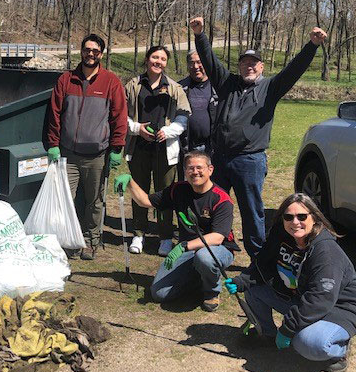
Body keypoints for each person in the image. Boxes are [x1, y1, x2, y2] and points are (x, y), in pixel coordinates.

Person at [190, 17, 327, 259]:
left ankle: (258, 259)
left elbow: (294, 69)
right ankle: (215, 249)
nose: (249, 67)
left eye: (254, 63)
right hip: (219, 158)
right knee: (214, 206)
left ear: (262, 67)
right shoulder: (227, 83)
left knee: (252, 211)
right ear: (239, 66)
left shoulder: (270, 88)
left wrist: (312, 45)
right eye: (244, 63)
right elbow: (210, 61)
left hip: (249, 161)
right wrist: (200, 35)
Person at [225, 193, 355, 372]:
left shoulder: (326, 252)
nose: (295, 222)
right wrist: (242, 280)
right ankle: (268, 335)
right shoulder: (281, 234)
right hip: (301, 298)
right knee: (253, 289)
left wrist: (288, 329)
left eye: (302, 216)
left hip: (337, 309)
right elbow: (263, 263)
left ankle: (338, 349)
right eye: (289, 217)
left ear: (314, 218)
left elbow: (320, 299)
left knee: (307, 343)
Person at [115, 151, 238, 312]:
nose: (195, 172)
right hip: (187, 249)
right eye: (190, 168)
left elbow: (217, 237)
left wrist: (184, 246)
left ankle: (211, 292)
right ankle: (199, 278)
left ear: (210, 169)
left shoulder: (221, 199)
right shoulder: (178, 190)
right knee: (159, 294)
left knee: (205, 258)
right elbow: (144, 201)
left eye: (199, 168)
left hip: (218, 249)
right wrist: (130, 182)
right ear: (185, 171)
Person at [44, 33, 127, 260]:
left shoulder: (111, 81)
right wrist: (53, 144)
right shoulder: (66, 80)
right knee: (65, 201)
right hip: (68, 153)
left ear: (101, 53)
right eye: (87, 50)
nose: (91, 54)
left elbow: (119, 116)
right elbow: (54, 114)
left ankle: (91, 241)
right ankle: (69, 240)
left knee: (94, 201)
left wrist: (117, 147)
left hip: (96, 155)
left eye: (95, 51)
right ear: (81, 51)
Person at [123, 46, 191, 257]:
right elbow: (119, 114)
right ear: (147, 59)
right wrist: (136, 129)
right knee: (139, 191)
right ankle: (139, 233)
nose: (158, 61)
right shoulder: (134, 85)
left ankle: (164, 237)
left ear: (166, 63)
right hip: (139, 147)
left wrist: (170, 132)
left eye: (162, 58)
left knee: (165, 193)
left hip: (165, 149)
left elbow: (183, 115)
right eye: (154, 57)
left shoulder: (173, 87)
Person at [178, 50, 217, 156]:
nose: (195, 66)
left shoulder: (218, 87)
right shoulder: (179, 88)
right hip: (186, 146)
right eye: (191, 62)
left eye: (199, 62)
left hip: (212, 147)